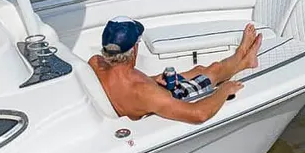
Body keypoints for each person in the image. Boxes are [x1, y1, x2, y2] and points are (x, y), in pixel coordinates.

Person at [88, 16, 263, 124]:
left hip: (149, 91)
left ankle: (243, 58)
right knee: (213, 71)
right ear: (134, 49)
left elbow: (123, 85)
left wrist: (155, 79)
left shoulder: (96, 64)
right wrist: (224, 91)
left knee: (198, 69)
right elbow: (198, 114)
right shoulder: (145, 91)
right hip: (166, 98)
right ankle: (244, 58)